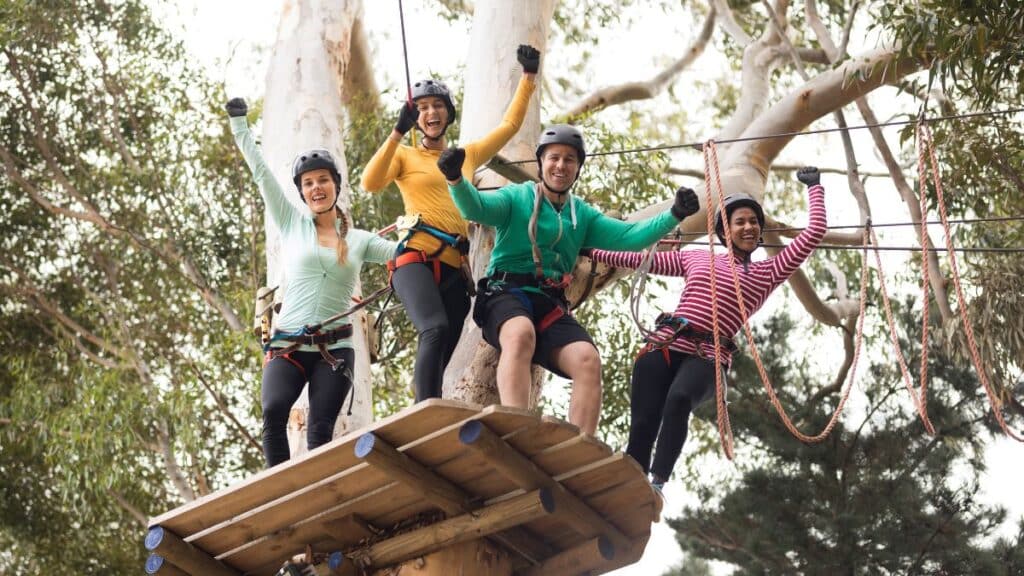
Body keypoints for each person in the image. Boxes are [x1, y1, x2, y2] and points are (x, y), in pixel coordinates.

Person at [436, 124, 700, 435]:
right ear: (541, 162)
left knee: (588, 359)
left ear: (578, 168)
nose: (561, 166)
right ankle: (517, 427)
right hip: (506, 292)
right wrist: (455, 178)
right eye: (554, 158)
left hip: (548, 303)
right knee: (520, 334)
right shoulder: (517, 197)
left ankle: (582, 445)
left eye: (570, 160)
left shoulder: (581, 215)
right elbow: (476, 207)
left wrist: (674, 214)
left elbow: (629, 236)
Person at [586, 167, 826, 487]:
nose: (748, 227)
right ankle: (629, 481)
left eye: (753, 222)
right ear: (724, 231)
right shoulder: (697, 258)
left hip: (708, 354)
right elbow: (642, 261)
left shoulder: (770, 271)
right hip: (667, 342)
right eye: (740, 221)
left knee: (679, 399)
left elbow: (814, 233)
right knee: (644, 421)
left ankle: (657, 481)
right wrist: (589, 252)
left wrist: (814, 188)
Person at [360, 45, 542, 403]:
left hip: (455, 267)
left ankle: (436, 404)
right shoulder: (404, 154)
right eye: (423, 108)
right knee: (435, 327)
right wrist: (397, 132)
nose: (431, 112)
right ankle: (423, 409)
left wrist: (529, 77)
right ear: (416, 117)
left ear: (448, 114)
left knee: (451, 340)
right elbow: (370, 183)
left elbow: (510, 126)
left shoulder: (465, 155)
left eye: (438, 106)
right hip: (415, 259)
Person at [226, 97, 397, 467]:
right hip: (287, 343)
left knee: (320, 430)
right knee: (273, 413)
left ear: (335, 186)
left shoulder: (361, 239)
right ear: (302, 192)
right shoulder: (291, 224)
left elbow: (401, 251)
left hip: (334, 350)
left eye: (323, 181)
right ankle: (279, 489)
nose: (316, 188)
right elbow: (261, 174)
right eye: (308, 183)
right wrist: (240, 125)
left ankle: (317, 492)